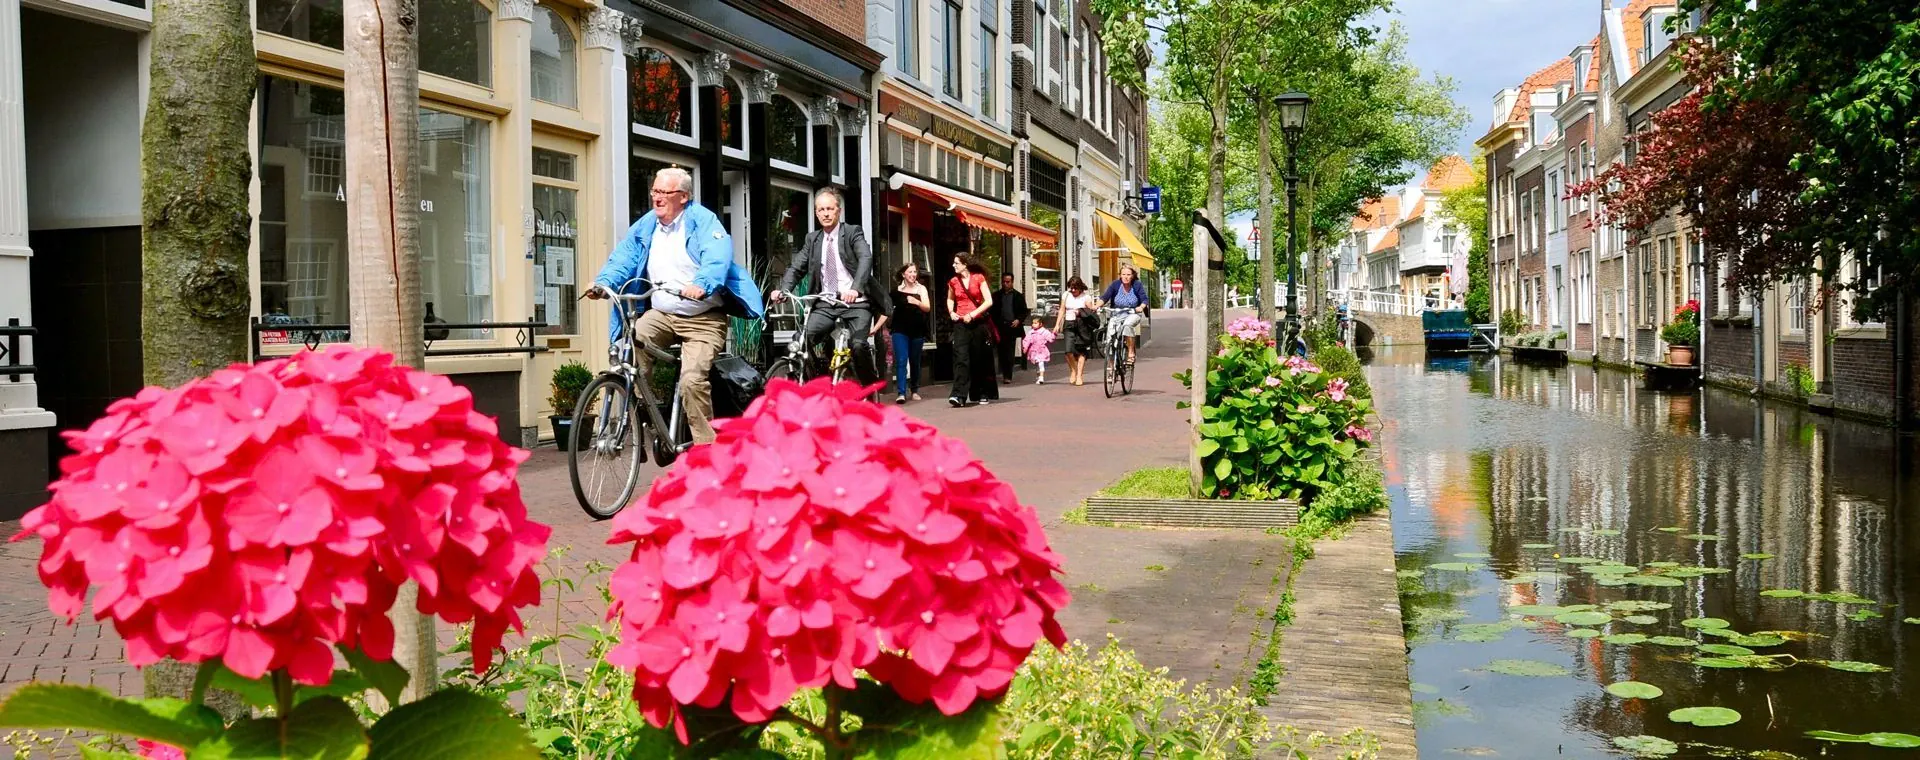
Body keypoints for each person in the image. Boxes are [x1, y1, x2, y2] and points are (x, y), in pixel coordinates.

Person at [586, 166, 764, 445]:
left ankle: (706, 450)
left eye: (664, 192)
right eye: (654, 191)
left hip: (703, 317)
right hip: (662, 314)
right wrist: (603, 283)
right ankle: (648, 419)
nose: (656, 197)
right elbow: (624, 257)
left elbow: (717, 256)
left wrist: (703, 284)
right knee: (629, 352)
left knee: (692, 380)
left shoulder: (703, 221)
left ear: (683, 196)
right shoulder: (647, 225)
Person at [769, 187, 888, 383]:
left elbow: (865, 258)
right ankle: (809, 383)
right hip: (825, 304)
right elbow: (796, 267)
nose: (825, 213)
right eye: (821, 210)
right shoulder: (812, 239)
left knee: (858, 345)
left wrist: (855, 289)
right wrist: (784, 290)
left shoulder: (852, 232)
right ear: (816, 212)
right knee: (800, 341)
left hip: (855, 304)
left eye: (830, 209)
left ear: (838, 210)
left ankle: (870, 387)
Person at [946, 255, 995, 407]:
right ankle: (958, 395)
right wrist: (951, 312)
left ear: (965, 264)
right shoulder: (953, 282)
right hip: (960, 324)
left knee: (978, 358)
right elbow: (950, 299)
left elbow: (989, 301)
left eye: (956, 263)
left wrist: (973, 314)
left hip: (977, 323)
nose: (954, 265)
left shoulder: (978, 278)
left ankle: (981, 392)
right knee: (961, 358)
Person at [889, 262, 931, 404]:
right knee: (901, 360)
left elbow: (927, 308)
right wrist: (876, 328)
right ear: (903, 274)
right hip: (900, 329)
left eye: (915, 272)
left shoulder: (921, 289)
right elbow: (887, 310)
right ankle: (901, 392)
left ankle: (914, 390)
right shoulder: (896, 291)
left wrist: (916, 301)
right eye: (910, 272)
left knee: (915, 361)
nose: (913, 275)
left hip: (917, 330)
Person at [1101, 264, 1150, 366]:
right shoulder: (1115, 284)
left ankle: (1131, 351)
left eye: (1128, 274)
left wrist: (1140, 307)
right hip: (1117, 314)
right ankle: (1111, 368)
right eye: (1123, 274)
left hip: (1132, 313)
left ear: (1132, 276)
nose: (1126, 277)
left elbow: (1144, 299)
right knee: (1109, 339)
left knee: (1127, 325)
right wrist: (1096, 306)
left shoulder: (1137, 285)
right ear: (1120, 275)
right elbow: (1105, 297)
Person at [1053, 276, 1097, 386]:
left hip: (1082, 326)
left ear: (1080, 287)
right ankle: (1074, 370)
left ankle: (1079, 375)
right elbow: (1062, 309)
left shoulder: (1086, 297)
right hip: (1069, 324)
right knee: (1068, 351)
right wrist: (1057, 324)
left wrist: (1081, 312)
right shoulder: (1066, 295)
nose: (1073, 290)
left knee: (1081, 351)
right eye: (1071, 288)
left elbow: (1090, 312)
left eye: (1075, 288)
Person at [992, 273, 1029, 383]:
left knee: (1009, 351)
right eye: (1003, 282)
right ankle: (1002, 372)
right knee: (1001, 351)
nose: (1005, 284)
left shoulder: (1018, 296)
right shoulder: (996, 295)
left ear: (1012, 282)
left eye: (1008, 282)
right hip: (999, 327)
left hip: (1012, 326)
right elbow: (992, 311)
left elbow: (1024, 311)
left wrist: (1018, 320)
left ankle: (1007, 376)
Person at [1021, 316, 1055, 384]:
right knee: (1037, 364)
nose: (1033, 324)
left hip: (1041, 350)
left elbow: (1050, 339)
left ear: (1040, 324)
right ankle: (1038, 376)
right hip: (1034, 350)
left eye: (1036, 323)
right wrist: (1025, 347)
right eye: (1033, 323)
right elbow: (1027, 340)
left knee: (1041, 363)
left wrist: (1054, 334)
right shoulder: (1031, 332)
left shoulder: (1044, 332)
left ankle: (1041, 377)